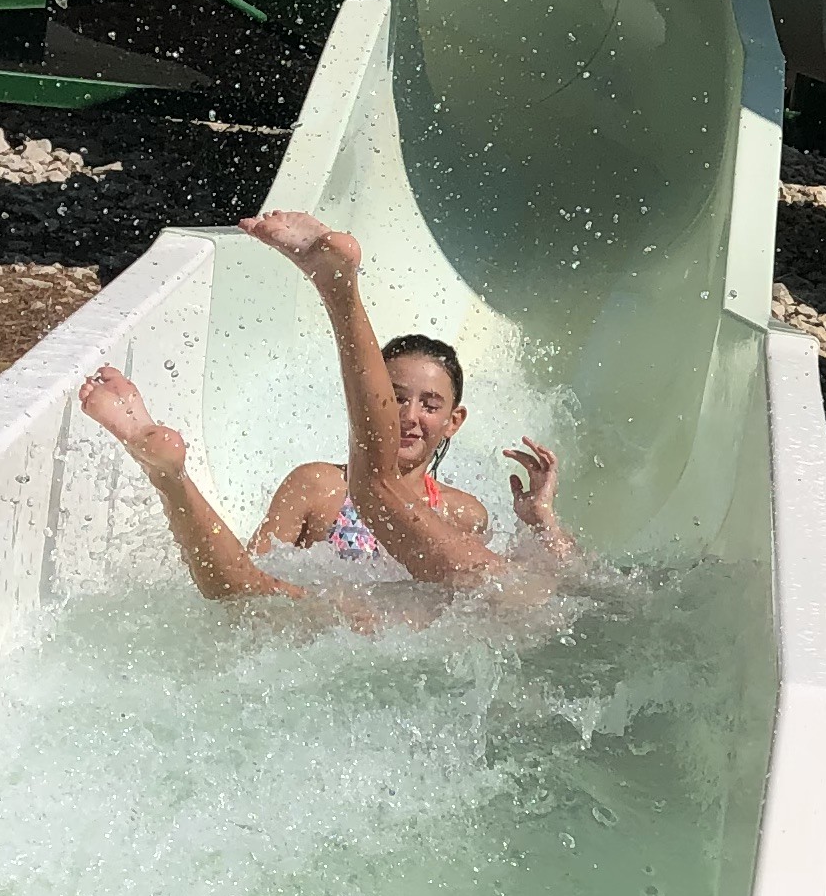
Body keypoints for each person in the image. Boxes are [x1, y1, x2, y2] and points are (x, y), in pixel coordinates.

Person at [75, 210, 570, 603]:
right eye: (394, 397)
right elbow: (250, 580)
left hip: (389, 639)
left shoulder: (465, 513)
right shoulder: (318, 485)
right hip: (324, 622)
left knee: (514, 596)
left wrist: (542, 520)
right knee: (249, 595)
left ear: (453, 421)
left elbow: (514, 596)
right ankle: (168, 471)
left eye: (430, 404)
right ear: (367, 397)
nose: (408, 416)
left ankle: (168, 474)